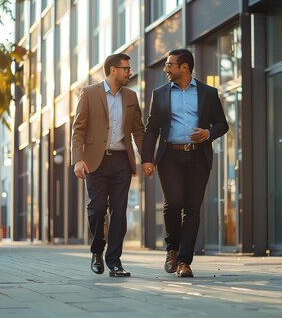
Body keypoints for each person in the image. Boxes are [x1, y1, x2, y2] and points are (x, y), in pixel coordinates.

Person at [142, 48, 228, 278]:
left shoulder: (208, 93)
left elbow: (222, 124)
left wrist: (208, 134)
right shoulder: (159, 93)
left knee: (192, 210)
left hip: (198, 157)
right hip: (170, 156)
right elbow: (151, 129)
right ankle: (172, 249)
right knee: (173, 204)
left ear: (185, 67)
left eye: (170, 64)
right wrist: (147, 159)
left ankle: (184, 261)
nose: (165, 69)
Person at [71, 53, 144, 277]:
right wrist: (77, 159)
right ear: (113, 70)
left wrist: (147, 158)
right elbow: (78, 129)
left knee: (119, 211)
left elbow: (138, 131)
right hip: (95, 161)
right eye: (126, 69)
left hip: (121, 161)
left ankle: (114, 261)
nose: (129, 72)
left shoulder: (131, 96)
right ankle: (97, 251)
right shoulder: (89, 93)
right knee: (97, 209)